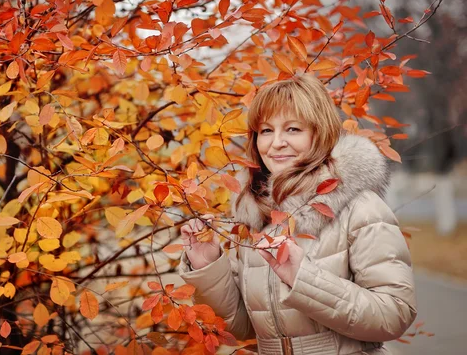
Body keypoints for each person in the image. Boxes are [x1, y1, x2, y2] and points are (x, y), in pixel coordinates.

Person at [178, 74, 417, 354]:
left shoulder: (360, 207)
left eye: (292, 129)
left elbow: (394, 315)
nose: (276, 142)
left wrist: (303, 278)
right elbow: (244, 327)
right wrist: (209, 266)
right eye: (266, 131)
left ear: (320, 132)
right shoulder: (257, 213)